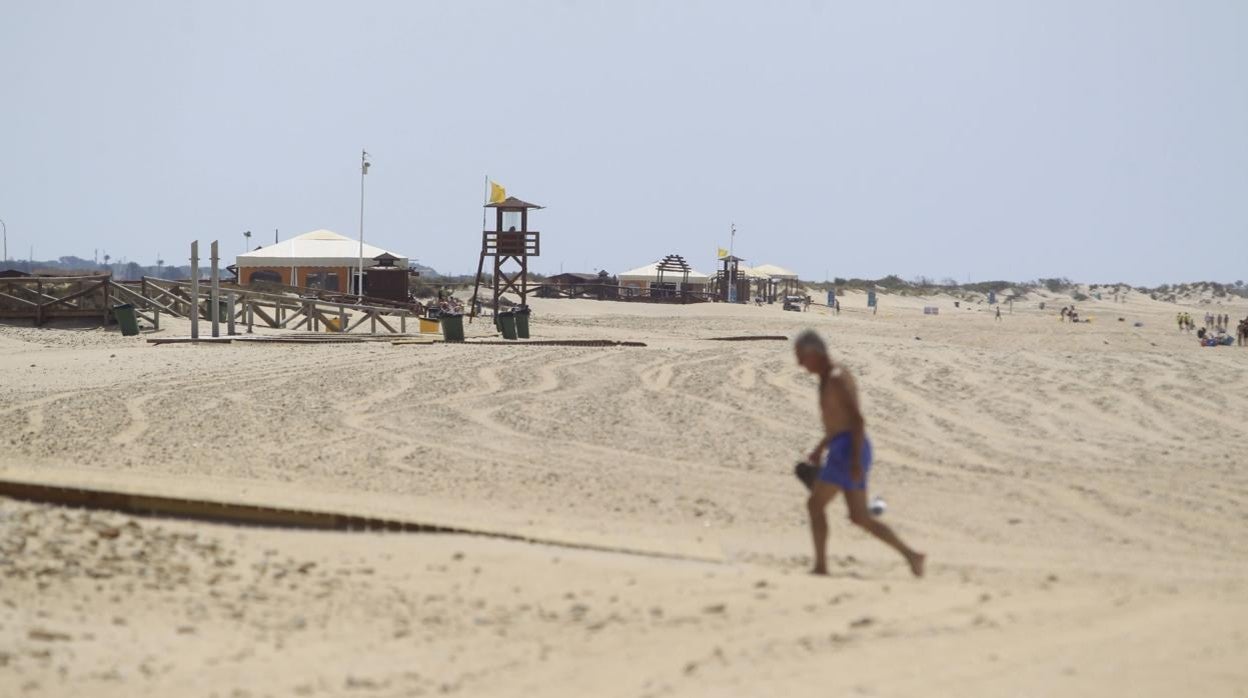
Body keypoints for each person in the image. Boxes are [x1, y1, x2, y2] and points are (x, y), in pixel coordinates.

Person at [793, 331, 925, 578]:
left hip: (848, 449)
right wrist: (822, 447)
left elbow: (857, 420)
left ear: (815, 354)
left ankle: (821, 566)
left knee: (815, 504)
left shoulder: (835, 378)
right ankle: (912, 556)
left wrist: (854, 460)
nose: (800, 364)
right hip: (845, 446)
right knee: (860, 517)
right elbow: (839, 422)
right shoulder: (827, 377)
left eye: (802, 357)